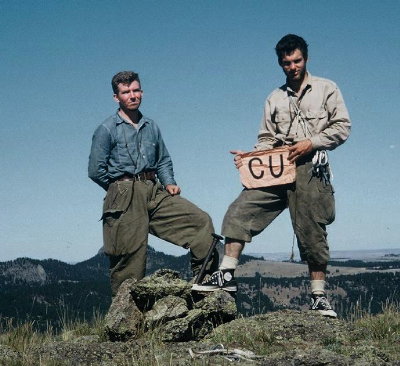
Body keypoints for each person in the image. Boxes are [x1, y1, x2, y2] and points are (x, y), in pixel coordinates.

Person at [192, 34, 351, 318]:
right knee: (239, 211)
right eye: (287, 62)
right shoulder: (274, 98)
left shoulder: (327, 88)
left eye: (297, 60)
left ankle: (318, 297)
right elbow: (265, 137)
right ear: (280, 63)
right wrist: (250, 158)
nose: (293, 67)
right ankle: (226, 275)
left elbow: (342, 127)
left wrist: (311, 142)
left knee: (312, 231)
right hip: (275, 167)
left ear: (306, 58)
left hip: (310, 166)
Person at [89, 71, 218, 296]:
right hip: (124, 192)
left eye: (136, 90)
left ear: (142, 92)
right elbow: (95, 170)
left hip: (154, 189)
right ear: (116, 97)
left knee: (200, 223)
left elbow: (163, 160)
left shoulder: (151, 126)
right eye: (125, 92)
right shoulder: (107, 129)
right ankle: (127, 325)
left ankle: (205, 291)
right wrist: (119, 190)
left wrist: (169, 182)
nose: (132, 95)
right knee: (130, 260)